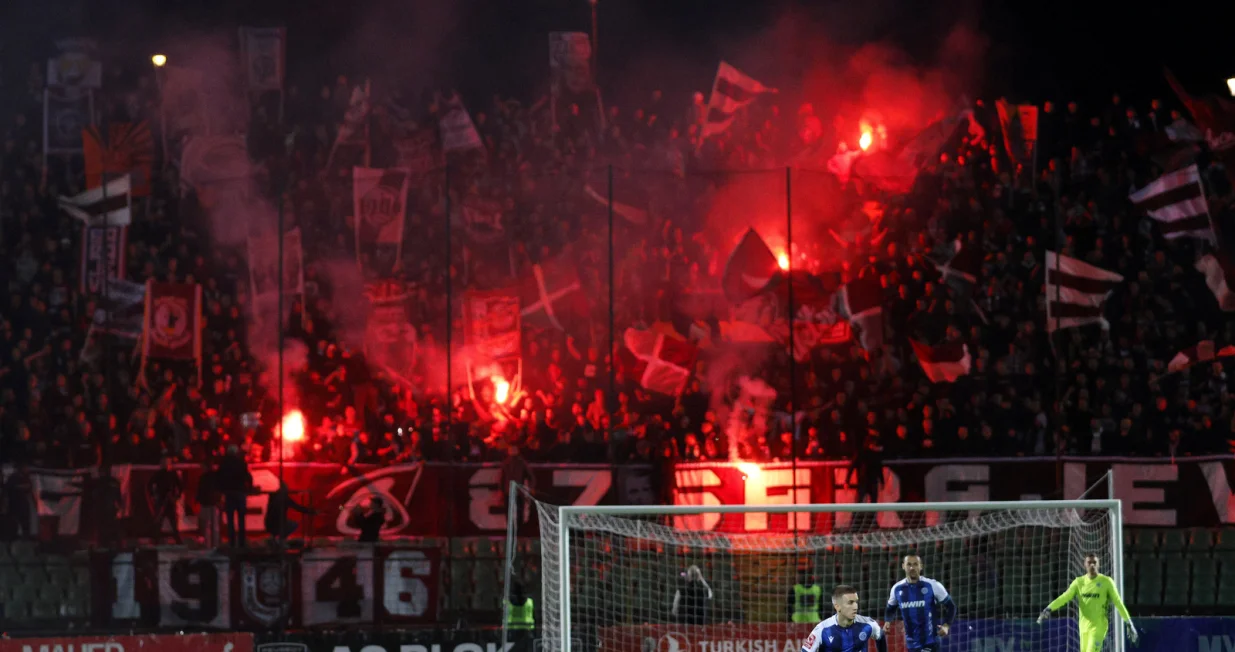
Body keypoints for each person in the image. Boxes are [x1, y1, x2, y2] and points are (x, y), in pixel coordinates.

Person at [1038, 553, 1137, 651]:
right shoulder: (1079, 582)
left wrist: (1129, 622)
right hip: (1083, 627)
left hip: (1099, 626)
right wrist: (1049, 608)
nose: (1092, 565)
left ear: (1099, 564)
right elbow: (1064, 597)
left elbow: (1118, 603)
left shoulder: (1107, 582)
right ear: (1085, 564)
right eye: (1089, 562)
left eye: (1094, 562)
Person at [884, 555, 956, 652]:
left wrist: (946, 626)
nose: (912, 568)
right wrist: (887, 622)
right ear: (903, 566)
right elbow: (890, 608)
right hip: (911, 644)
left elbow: (951, 606)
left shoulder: (933, 585)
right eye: (909, 564)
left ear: (921, 566)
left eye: (915, 564)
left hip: (931, 642)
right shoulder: (897, 589)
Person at [802, 585, 887, 652]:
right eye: (850, 603)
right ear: (837, 606)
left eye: (856, 602)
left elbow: (881, 636)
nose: (855, 607)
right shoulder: (822, 630)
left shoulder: (868, 624)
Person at [217, 445, 254, 547]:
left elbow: (219, 477)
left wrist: (221, 491)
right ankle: (241, 542)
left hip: (229, 493)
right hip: (240, 492)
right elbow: (248, 477)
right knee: (241, 519)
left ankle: (232, 542)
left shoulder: (224, 464)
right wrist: (249, 489)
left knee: (230, 519)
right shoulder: (241, 463)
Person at [265, 480, 316, 547]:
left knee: (285, 524)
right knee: (294, 524)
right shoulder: (285, 498)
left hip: (268, 523)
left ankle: (274, 539)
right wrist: (311, 511)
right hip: (278, 524)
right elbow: (298, 507)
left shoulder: (272, 496)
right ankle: (281, 541)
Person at [147, 457, 184, 544]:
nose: (166, 464)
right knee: (159, 520)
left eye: (168, 462)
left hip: (170, 500)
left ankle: (177, 539)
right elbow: (150, 484)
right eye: (164, 462)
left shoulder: (173, 474)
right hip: (161, 500)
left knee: (173, 521)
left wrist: (176, 496)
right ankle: (156, 539)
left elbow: (180, 486)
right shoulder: (158, 474)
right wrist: (153, 495)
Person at [504, 580, 535, 652]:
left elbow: (501, 616)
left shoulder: (506, 602)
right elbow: (534, 616)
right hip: (527, 632)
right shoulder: (530, 601)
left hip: (512, 632)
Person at [196, 459, 221, 548]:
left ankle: (207, 545)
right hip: (214, 502)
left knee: (206, 524)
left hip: (206, 503)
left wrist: (198, 500)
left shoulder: (203, 477)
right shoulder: (217, 476)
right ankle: (215, 545)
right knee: (215, 525)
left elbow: (201, 490)